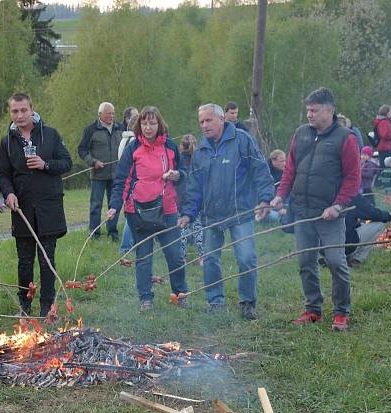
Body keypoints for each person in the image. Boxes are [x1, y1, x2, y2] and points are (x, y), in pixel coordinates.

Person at [271, 87, 361, 331]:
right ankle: (313, 309)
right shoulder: (300, 134)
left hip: (330, 214)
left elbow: (353, 178)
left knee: (335, 261)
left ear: (329, 110)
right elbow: (290, 170)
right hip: (302, 211)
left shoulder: (345, 138)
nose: (309, 115)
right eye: (308, 110)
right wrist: (281, 195)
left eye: (314, 110)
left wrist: (338, 205)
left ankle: (341, 312)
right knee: (305, 262)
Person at [178, 103, 273, 320]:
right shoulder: (201, 151)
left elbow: (260, 168)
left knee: (246, 258)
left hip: (240, 212)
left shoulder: (241, 139)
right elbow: (194, 187)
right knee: (210, 260)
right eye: (201, 121)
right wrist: (188, 213)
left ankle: (248, 302)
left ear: (222, 119)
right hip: (211, 215)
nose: (204, 125)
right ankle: (215, 302)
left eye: (209, 120)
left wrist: (265, 198)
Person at [0, 93, 72, 317]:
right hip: (22, 208)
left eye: (23, 110)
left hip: (49, 208)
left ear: (32, 110)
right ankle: (25, 305)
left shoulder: (50, 135)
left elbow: (66, 162)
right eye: (15, 111)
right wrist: (8, 193)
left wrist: (45, 164)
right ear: (10, 113)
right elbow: (3, 174)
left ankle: (47, 306)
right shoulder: (7, 142)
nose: (19, 115)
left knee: (47, 260)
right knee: (25, 261)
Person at [107, 106, 187, 311]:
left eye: (152, 123)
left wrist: (177, 175)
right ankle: (146, 298)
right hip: (138, 211)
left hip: (167, 209)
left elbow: (184, 172)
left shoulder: (170, 146)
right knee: (143, 256)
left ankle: (180, 294)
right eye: (144, 123)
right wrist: (115, 206)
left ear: (159, 124)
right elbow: (121, 180)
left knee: (175, 254)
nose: (148, 127)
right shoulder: (133, 148)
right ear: (139, 125)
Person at [78, 102, 125, 241]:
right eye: (108, 113)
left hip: (116, 175)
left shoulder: (120, 128)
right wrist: (93, 161)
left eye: (113, 113)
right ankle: (94, 234)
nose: (111, 116)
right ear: (100, 115)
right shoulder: (90, 129)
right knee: (96, 205)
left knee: (114, 205)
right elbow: (82, 150)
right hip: (98, 175)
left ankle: (113, 233)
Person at [344, 193, 391, 266]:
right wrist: (388, 215)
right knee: (380, 224)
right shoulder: (352, 195)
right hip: (345, 247)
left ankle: (325, 257)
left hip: (324, 248)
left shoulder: (326, 191)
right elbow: (373, 214)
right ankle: (356, 259)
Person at [177, 134, 203, 262]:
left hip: (180, 198)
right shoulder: (199, 159)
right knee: (198, 227)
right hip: (196, 198)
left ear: (181, 146)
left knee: (181, 227)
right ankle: (201, 256)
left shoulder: (177, 160)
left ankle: (182, 257)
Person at [117, 109, 139, 254]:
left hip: (129, 182)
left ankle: (131, 247)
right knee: (131, 217)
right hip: (132, 183)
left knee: (132, 216)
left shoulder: (125, 139)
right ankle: (125, 249)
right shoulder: (132, 142)